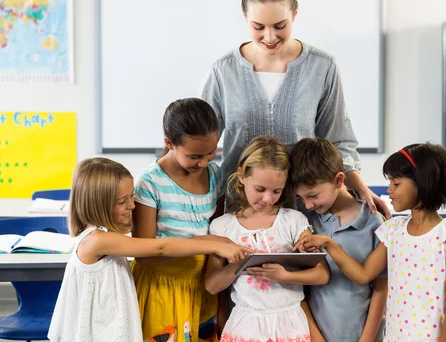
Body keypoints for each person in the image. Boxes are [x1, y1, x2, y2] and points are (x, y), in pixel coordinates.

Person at [200, 0, 388, 216]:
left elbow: (339, 141)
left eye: (280, 26)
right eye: (258, 27)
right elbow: (199, 144)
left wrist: (361, 189)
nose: (269, 37)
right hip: (239, 215)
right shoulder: (223, 71)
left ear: (295, 13)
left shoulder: (322, 67)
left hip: (305, 214)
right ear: (245, 16)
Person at [48, 158, 251, 342]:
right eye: (122, 201)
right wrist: (213, 243)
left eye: (132, 196)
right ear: (98, 203)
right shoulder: (96, 241)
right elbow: (161, 247)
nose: (132, 205)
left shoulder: (102, 237)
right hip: (99, 332)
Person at [297, 143, 446, 342]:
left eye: (396, 184)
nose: (389, 190)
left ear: (422, 183)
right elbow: (362, 275)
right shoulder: (392, 230)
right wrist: (329, 244)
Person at [205, 136, 330, 342]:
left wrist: (285, 276)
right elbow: (211, 286)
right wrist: (238, 265)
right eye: (260, 189)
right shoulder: (223, 227)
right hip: (246, 325)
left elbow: (322, 274)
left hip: (291, 323)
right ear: (242, 175)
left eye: (277, 191)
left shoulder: (293, 221)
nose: (268, 199)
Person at [131, 98, 235, 342]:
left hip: (202, 287)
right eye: (195, 156)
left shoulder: (215, 174)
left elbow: (217, 234)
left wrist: (221, 304)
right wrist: (207, 244)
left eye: (212, 153)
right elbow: (144, 252)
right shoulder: (149, 182)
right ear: (169, 143)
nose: (204, 162)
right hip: (161, 288)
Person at [289, 137, 387, 342]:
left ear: (339, 180)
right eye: (301, 198)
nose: (307, 205)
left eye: (313, 196)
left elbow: (381, 289)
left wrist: (366, 340)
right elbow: (298, 291)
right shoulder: (304, 222)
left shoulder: (374, 223)